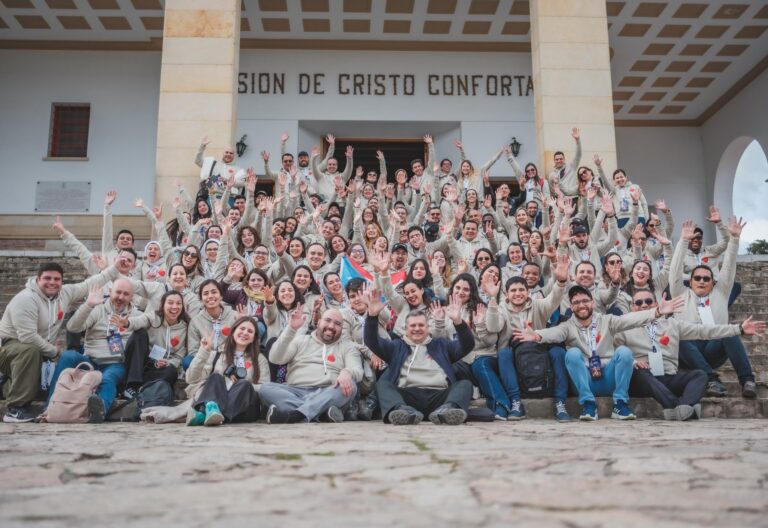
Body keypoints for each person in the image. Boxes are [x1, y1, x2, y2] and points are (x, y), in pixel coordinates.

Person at [514, 285, 684, 421]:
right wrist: (537, 335)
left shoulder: (607, 320)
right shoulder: (568, 326)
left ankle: (620, 404)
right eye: (576, 302)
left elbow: (630, 319)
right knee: (572, 353)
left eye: (585, 300)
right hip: (585, 381)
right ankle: (588, 405)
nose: (581, 305)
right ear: (571, 307)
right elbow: (555, 333)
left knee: (624, 352)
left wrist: (656, 312)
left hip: (608, 378)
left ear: (593, 303)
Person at [619, 289, 765, 421]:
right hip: (642, 378)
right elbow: (614, 353)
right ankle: (675, 405)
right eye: (639, 302)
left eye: (648, 301)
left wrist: (738, 328)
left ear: (656, 304)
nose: (644, 305)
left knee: (700, 375)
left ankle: (684, 406)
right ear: (632, 306)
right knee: (641, 374)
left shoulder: (672, 324)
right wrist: (633, 362)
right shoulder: (624, 327)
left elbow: (704, 331)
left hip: (668, 377)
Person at [0, 262, 118, 422]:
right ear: (37, 279)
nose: (52, 282)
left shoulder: (64, 293)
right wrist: (54, 351)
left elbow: (89, 284)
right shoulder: (25, 299)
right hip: (9, 346)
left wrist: (115, 267)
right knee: (30, 351)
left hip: (37, 351)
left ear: (62, 281)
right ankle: (15, 409)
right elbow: (27, 337)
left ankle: (5, 385)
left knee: (42, 385)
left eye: (57, 279)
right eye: (47, 278)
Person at [363, 287, 475, 426]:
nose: (417, 328)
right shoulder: (396, 346)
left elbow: (467, 345)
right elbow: (371, 341)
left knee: (464, 384)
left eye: (421, 325)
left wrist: (458, 322)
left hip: (439, 396)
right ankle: (402, 412)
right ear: (406, 329)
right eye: (413, 326)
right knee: (383, 385)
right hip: (407, 396)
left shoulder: (441, 345)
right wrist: (372, 316)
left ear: (428, 328)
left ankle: (447, 411)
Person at [671, 218, 757, 398]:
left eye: (706, 279)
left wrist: (734, 240)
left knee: (729, 333)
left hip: (712, 349)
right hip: (688, 350)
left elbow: (728, 268)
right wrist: (683, 241)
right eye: (697, 278)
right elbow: (675, 271)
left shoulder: (720, 293)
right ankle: (711, 380)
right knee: (679, 336)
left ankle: (747, 380)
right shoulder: (680, 293)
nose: (701, 281)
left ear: (712, 282)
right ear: (690, 281)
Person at [47, 279, 141, 423]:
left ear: (132, 297)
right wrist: (89, 305)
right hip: (90, 360)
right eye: (118, 292)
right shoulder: (98, 309)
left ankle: (99, 410)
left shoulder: (136, 315)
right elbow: (73, 327)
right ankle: (50, 406)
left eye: (126, 294)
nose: (121, 297)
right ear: (110, 292)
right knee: (68, 356)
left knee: (107, 379)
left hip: (116, 363)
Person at [491, 254, 570, 421]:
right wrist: (492, 299)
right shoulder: (501, 308)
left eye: (521, 290)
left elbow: (553, 300)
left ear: (528, 292)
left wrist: (561, 282)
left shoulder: (537, 305)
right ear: (506, 293)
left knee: (559, 352)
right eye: (513, 290)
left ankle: (560, 403)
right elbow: (493, 327)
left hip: (539, 349)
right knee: (504, 354)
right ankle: (515, 402)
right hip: (514, 352)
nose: (518, 293)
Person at [260, 306, 363, 423]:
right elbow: (275, 358)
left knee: (351, 386)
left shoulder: (347, 347)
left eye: (337, 323)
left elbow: (358, 371)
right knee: (265, 388)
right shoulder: (301, 340)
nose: (331, 326)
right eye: (327, 320)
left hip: (328, 391)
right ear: (319, 322)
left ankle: (295, 415)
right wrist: (291, 329)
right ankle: (320, 414)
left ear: (342, 328)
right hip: (295, 391)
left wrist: (347, 372)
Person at [185, 316, 269, 426]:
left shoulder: (259, 359)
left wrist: (237, 384)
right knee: (216, 377)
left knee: (244, 384)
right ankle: (213, 414)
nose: (245, 333)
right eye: (242, 329)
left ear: (254, 338)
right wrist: (204, 351)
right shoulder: (217, 354)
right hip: (220, 398)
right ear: (233, 331)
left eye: (250, 331)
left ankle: (204, 415)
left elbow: (265, 388)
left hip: (245, 408)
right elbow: (191, 378)